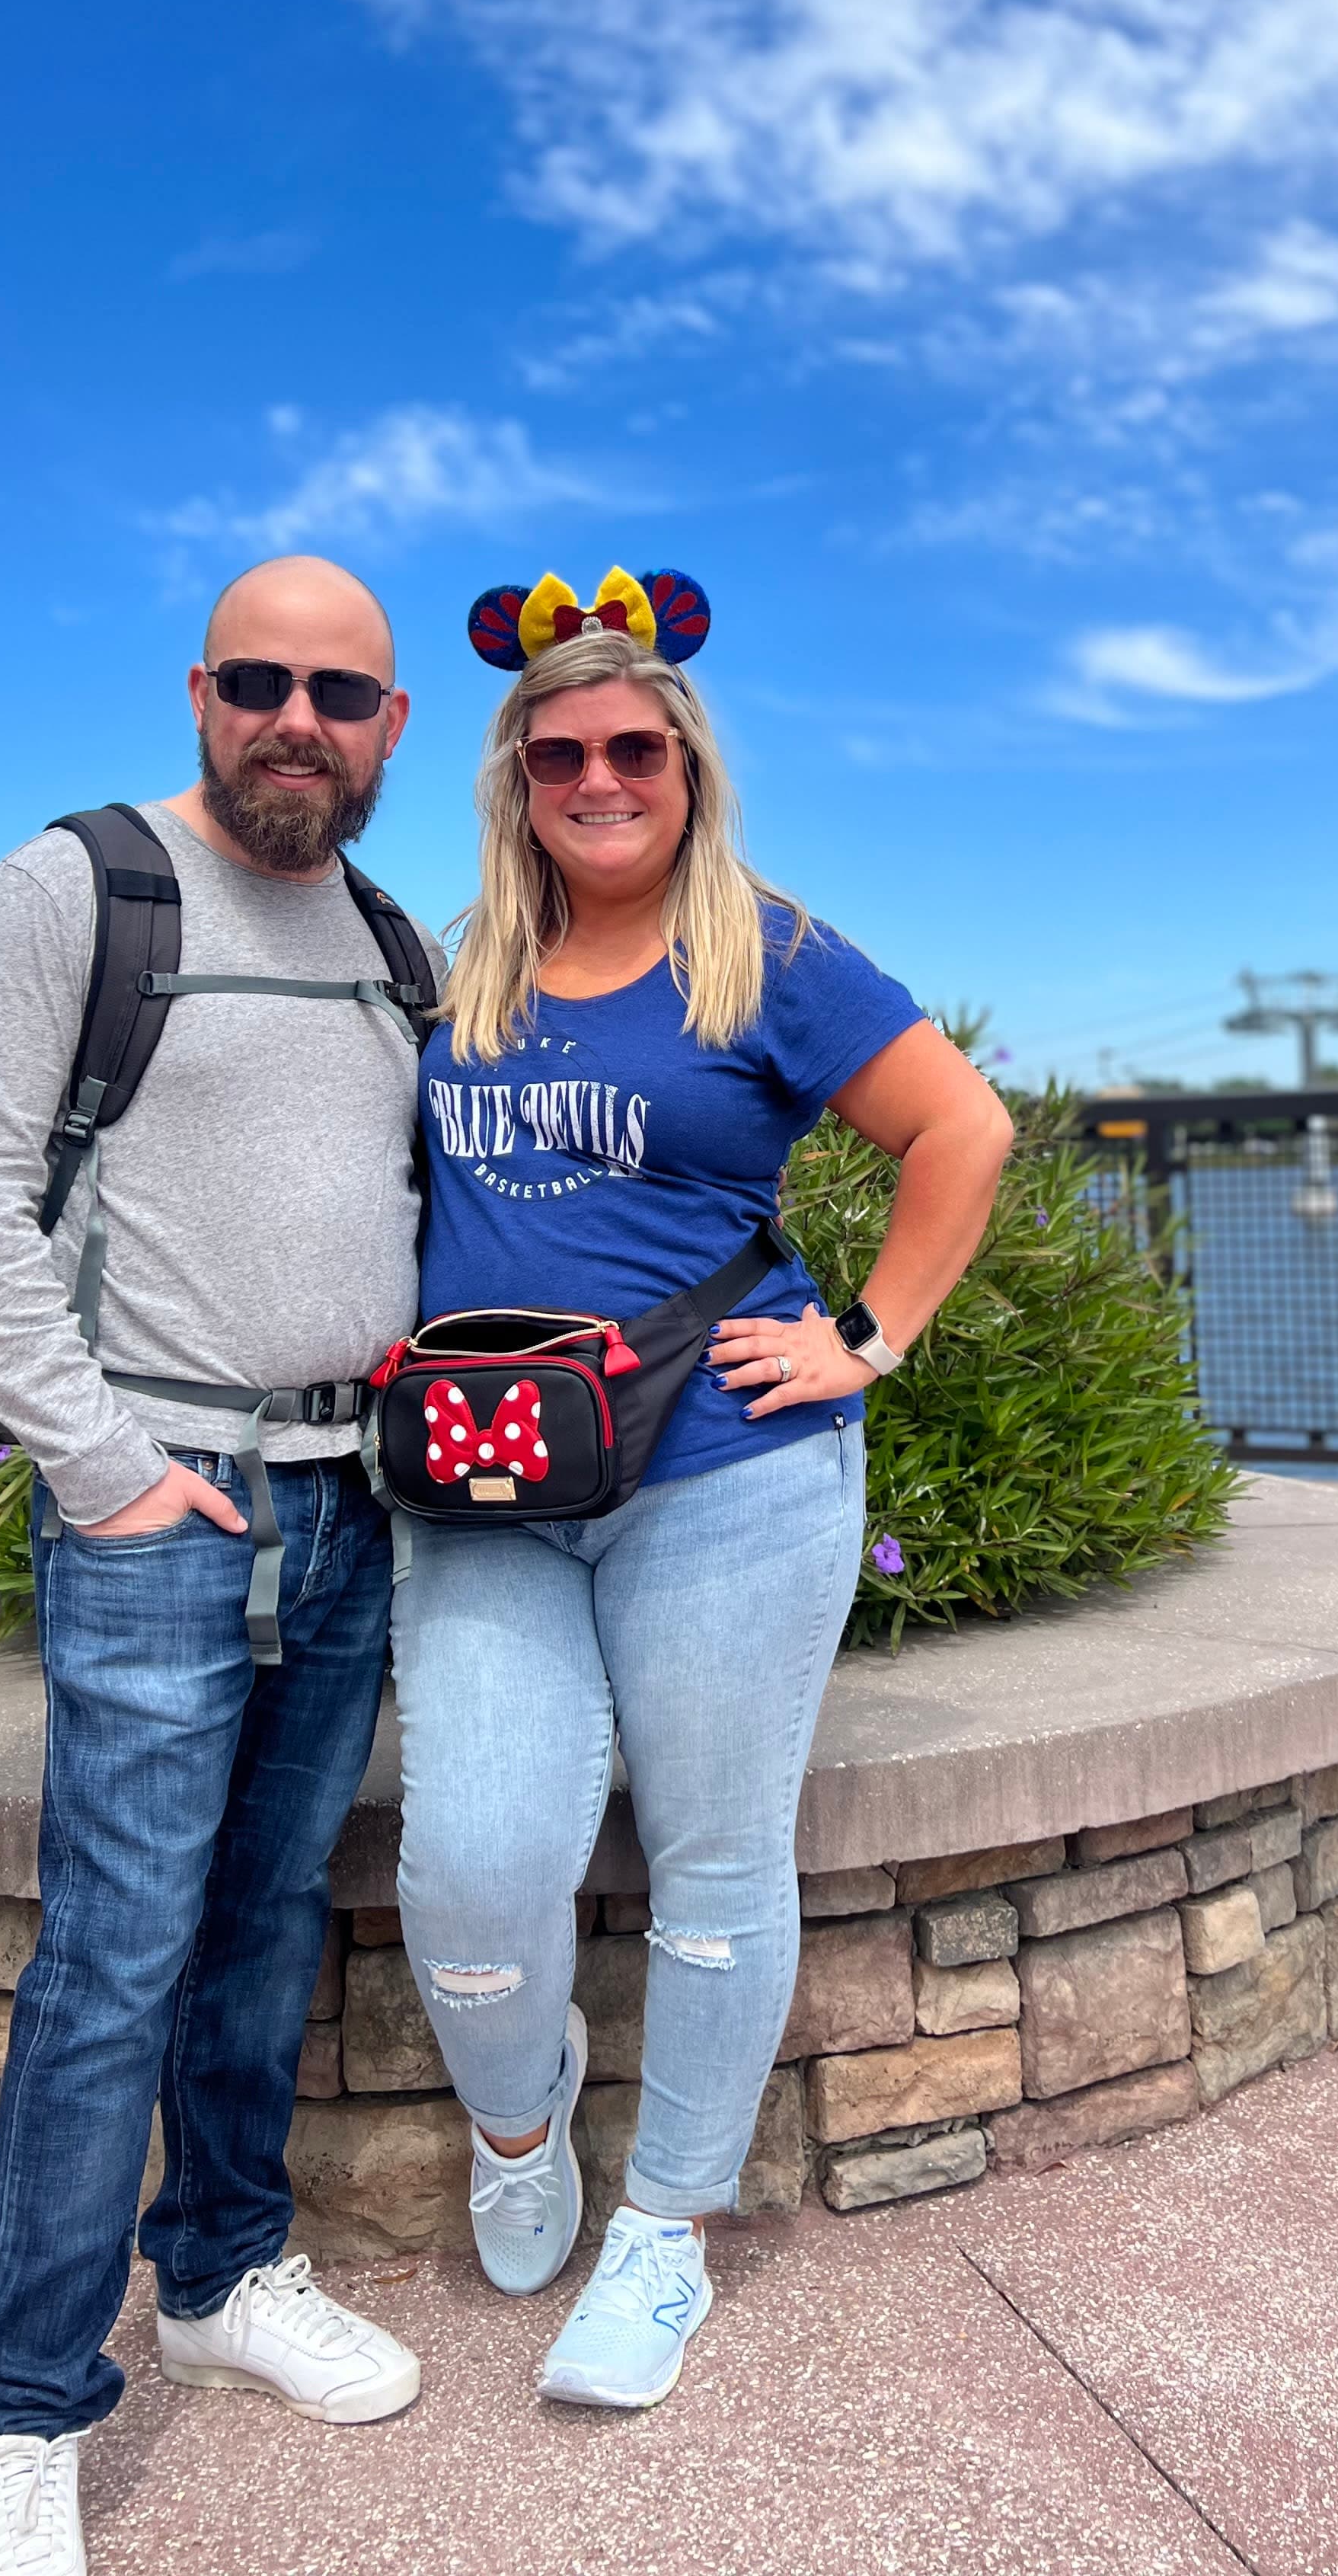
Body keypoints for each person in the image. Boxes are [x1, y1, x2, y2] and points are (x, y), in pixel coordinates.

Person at [393, 562, 1014, 2413]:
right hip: (492, 1481)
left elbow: (960, 1130)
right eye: (561, 750)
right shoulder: (458, 964)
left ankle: (665, 2225)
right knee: (479, 1857)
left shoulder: (768, 950)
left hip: (734, 1470)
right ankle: (525, 2127)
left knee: (720, 1859)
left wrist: (870, 1341)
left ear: (686, 764)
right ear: (515, 774)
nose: (600, 777)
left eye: (634, 749)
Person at [0, 555, 438, 2576]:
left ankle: (222, 2275)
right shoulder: (77, 892)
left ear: (391, 728)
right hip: (161, 1504)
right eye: (261, 679)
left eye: (342, 692)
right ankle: (25, 2414)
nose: (298, 718)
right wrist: (111, 1470)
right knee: (115, 1953)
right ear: (200, 690)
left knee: (264, 1921)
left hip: (352, 1495)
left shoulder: (389, 937)